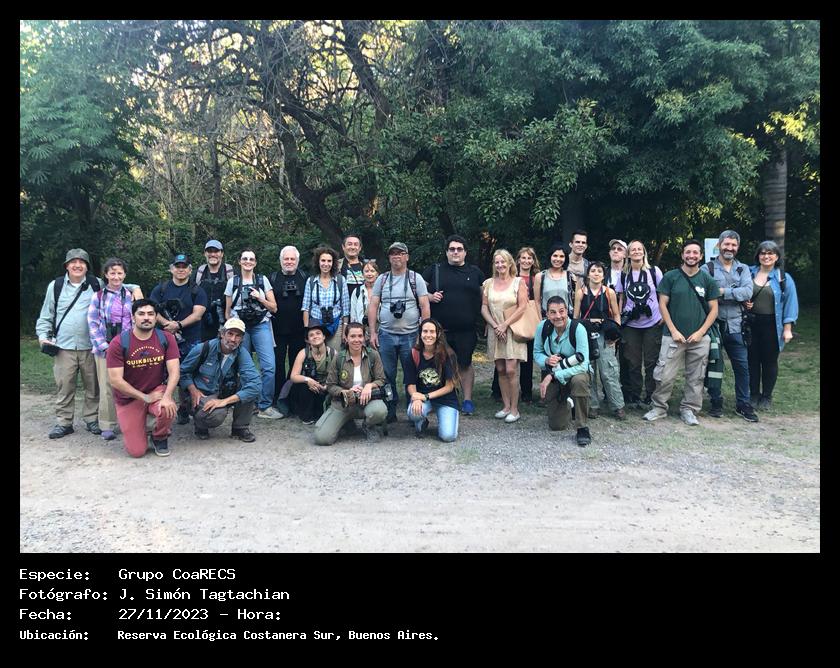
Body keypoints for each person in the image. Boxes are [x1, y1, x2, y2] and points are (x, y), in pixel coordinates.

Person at [644, 239, 720, 426]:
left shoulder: (707, 280)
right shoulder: (671, 277)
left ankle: (689, 409)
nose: (691, 256)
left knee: (696, 377)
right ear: (682, 255)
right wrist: (673, 330)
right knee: (664, 374)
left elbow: (714, 310)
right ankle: (659, 408)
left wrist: (701, 332)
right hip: (672, 336)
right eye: (688, 252)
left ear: (701, 256)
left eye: (695, 253)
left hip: (699, 338)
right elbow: (662, 304)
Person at [36, 248, 102, 439]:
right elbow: (46, 315)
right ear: (67, 265)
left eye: (82, 262)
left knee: (93, 386)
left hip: (91, 346)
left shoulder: (96, 284)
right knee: (64, 386)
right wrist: (43, 336)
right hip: (63, 347)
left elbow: (116, 287)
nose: (77, 265)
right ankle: (64, 423)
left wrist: (133, 288)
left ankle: (92, 419)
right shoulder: (55, 286)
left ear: (87, 266)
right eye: (73, 262)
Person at [105, 299, 180, 457]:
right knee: (137, 452)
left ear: (156, 317)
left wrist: (167, 396)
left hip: (156, 390)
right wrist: (145, 397)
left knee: (167, 408)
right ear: (133, 317)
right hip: (129, 397)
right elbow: (115, 380)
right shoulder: (118, 343)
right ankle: (142, 426)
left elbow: (174, 371)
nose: (146, 318)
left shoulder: (166, 338)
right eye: (141, 314)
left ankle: (160, 436)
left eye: (150, 314)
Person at [368, 242, 431, 423]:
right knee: (387, 374)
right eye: (393, 253)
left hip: (411, 335)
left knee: (412, 373)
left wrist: (423, 332)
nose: (397, 256)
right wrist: (373, 332)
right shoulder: (382, 279)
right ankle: (390, 408)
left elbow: (424, 305)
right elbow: (373, 305)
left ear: (407, 257)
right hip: (386, 334)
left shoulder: (415, 278)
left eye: (400, 253)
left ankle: (414, 409)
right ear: (389, 257)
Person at [422, 235, 484, 415]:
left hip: (467, 329)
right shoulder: (434, 270)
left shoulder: (475, 272)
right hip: (440, 330)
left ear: (465, 252)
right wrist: (430, 297)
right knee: (439, 364)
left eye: (459, 249)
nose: (455, 252)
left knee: (465, 364)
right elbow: (419, 293)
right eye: (452, 249)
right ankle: (438, 398)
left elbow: (484, 299)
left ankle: (467, 400)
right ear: (446, 252)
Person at [700, 231, 759, 422]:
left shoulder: (743, 269)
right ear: (719, 245)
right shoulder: (707, 268)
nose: (729, 248)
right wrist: (735, 293)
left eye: (733, 245)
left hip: (737, 325)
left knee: (742, 367)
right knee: (714, 365)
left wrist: (722, 291)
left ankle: (743, 404)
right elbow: (704, 293)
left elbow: (748, 292)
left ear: (738, 247)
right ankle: (715, 401)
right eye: (726, 244)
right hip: (714, 326)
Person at [87, 257, 144, 441]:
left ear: (125, 275)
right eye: (112, 273)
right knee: (107, 386)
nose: (116, 277)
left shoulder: (131, 295)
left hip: (128, 346)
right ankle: (108, 424)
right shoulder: (98, 296)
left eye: (120, 273)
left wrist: (133, 345)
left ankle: (131, 421)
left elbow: (137, 320)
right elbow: (92, 323)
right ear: (106, 274)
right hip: (104, 347)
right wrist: (103, 346)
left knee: (131, 384)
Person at [149, 253, 209, 425]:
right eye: (177, 266)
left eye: (184, 267)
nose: (180, 270)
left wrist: (179, 325)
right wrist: (167, 324)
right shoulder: (160, 289)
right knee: (160, 374)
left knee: (188, 374)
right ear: (171, 269)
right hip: (164, 340)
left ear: (190, 270)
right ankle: (159, 410)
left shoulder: (197, 290)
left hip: (191, 340)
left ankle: (186, 408)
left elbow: (198, 314)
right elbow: (152, 310)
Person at [179, 317, 260, 442]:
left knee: (249, 387)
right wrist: (192, 389)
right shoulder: (203, 348)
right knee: (217, 415)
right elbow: (182, 372)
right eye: (230, 334)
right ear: (222, 334)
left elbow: (255, 384)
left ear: (242, 339)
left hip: (225, 392)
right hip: (203, 393)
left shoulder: (242, 353)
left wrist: (224, 401)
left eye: (238, 336)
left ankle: (240, 428)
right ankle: (199, 423)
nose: (233, 339)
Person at [224, 247, 280, 419]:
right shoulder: (233, 282)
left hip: (261, 324)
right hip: (240, 327)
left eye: (251, 259)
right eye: (245, 259)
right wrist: (230, 331)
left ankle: (264, 405)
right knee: (243, 366)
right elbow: (227, 312)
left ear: (255, 263)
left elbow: (274, 307)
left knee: (269, 366)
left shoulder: (262, 280)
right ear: (240, 262)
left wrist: (259, 298)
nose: (248, 262)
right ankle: (245, 403)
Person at [313, 322, 388, 446]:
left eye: (360, 336)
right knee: (322, 438)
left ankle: (369, 426)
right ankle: (347, 423)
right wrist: (344, 391)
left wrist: (369, 386)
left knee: (379, 410)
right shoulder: (339, 358)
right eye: (353, 336)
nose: (357, 340)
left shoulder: (373, 355)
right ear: (346, 338)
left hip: (367, 401)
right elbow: (330, 385)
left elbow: (381, 379)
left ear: (364, 337)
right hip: (343, 403)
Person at [747, 240, 799, 410]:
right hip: (751, 323)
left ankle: (766, 397)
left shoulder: (784, 278)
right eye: (763, 253)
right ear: (758, 256)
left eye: (770, 253)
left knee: (769, 362)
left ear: (777, 257)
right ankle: (754, 395)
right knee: (752, 361)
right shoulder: (748, 273)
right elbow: (740, 293)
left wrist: (787, 328)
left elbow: (791, 304)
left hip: (772, 325)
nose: (766, 256)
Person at [533, 296, 592, 446]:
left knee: (580, 380)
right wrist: (546, 360)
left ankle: (582, 427)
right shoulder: (542, 327)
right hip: (554, 373)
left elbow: (583, 364)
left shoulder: (578, 329)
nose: (558, 316)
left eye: (561, 311)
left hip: (575, 372)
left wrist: (553, 375)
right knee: (556, 425)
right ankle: (570, 402)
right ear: (547, 314)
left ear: (567, 311)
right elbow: (537, 352)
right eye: (553, 312)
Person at [481, 249, 528, 424]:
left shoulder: (518, 282)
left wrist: (505, 324)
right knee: (500, 369)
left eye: (503, 262)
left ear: (509, 263)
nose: (500, 265)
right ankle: (506, 406)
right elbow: (484, 307)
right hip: (495, 330)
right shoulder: (488, 283)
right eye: (497, 262)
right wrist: (495, 326)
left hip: (512, 329)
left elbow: (522, 307)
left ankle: (515, 409)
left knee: (511, 370)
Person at [615, 240, 664, 409]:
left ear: (644, 252)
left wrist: (663, 316)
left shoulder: (654, 272)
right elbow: (621, 297)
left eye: (639, 249)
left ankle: (651, 394)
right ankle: (635, 395)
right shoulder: (623, 274)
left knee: (651, 361)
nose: (636, 251)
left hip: (652, 322)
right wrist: (619, 318)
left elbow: (663, 294)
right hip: (631, 324)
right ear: (628, 254)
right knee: (633, 362)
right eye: (633, 249)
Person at [574, 261, 625, 419]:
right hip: (586, 333)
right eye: (593, 271)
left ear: (604, 275)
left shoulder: (609, 292)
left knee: (609, 371)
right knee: (589, 370)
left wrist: (616, 334)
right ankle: (592, 405)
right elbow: (576, 317)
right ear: (588, 274)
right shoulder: (580, 293)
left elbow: (616, 314)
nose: (596, 274)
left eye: (599, 271)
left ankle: (617, 405)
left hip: (605, 334)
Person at [493, 246, 540, 403]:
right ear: (517, 260)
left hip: (526, 320)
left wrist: (538, 321)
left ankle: (526, 391)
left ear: (533, 261)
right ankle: (498, 391)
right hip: (506, 320)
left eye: (529, 258)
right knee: (502, 357)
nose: (526, 261)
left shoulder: (536, 279)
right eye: (523, 258)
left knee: (527, 358)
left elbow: (536, 301)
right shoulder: (510, 277)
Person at [405, 318, 461, 441]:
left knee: (448, 436)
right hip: (422, 398)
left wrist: (425, 396)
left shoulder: (448, 354)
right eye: (425, 331)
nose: (428, 335)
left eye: (432, 331)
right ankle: (422, 422)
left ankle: (447, 420)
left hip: (445, 400)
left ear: (438, 334)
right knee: (413, 413)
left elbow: (449, 386)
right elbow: (410, 383)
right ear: (420, 334)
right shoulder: (414, 354)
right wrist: (416, 397)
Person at [269, 245, 308, 415]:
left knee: (296, 366)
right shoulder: (272, 278)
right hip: (277, 330)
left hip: (298, 331)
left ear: (297, 261)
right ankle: (278, 398)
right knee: (277, 365)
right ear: (281, 261)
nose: (289, 262)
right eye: (286, 259)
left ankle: (292, 398)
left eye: (292, 259)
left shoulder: (305, 278)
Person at [301, 245, 350, 351]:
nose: (326, 264)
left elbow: (345, 309)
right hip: (315, 325)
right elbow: (305, 308)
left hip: (335, 325)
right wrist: (307, 330)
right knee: (317, 356)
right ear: (318, 262)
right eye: (323, 260)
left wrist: (344, 331)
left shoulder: (340, 280)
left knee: (335, 355)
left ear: (333, 263)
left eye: (329, 261)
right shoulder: (311, 281)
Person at [288, 324, 336, 425]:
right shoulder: (303, 353)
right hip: (307, 388)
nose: (315, 336)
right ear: (308, 340)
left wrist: (327, 386)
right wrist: (308, 380)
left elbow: (338, 376)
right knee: (304, 386)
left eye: (318, 333)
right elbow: (293, 376)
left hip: (325, 386)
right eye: (311, 335)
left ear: (324, 336)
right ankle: (306, 416)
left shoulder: (333, 353)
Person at [195, 240, 235, 343]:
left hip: (227, 321)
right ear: (205, 253)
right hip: (203, 324)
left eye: (216, 251)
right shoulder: (199, 273)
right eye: (209, 251)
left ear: (222, 254)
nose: (213, 254)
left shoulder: (230, 272)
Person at [534, 244, 574, 318]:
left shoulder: (571, 277)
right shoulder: (540, 276)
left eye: (561, 256)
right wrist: (540, 320)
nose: (558, 259)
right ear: (550, 257)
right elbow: (537, 301)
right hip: (547, 318)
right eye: (555, 256)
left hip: (565, 319)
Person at [349, 259, 379, 338]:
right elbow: (353, 315)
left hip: (380, 332)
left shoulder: (383, 291)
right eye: (366, 271)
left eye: (372, 271)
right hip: (361, 333)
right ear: (362, 274)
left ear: (377, 274)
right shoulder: (357, 291)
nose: (369, 274)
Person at [337, 233, 366, 300]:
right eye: (349, 244)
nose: (353, 247)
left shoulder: (367, 266)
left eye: (356, 244)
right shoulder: (336, 265)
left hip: (362, 303)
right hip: (342, 303)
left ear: (360, 248)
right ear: (343, 247)